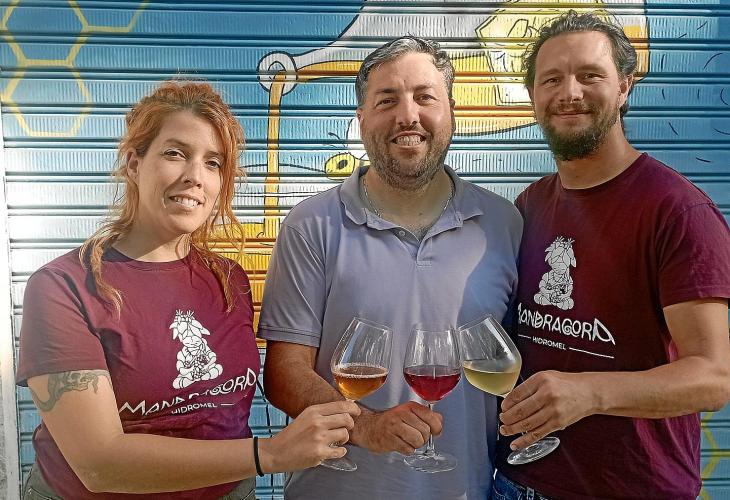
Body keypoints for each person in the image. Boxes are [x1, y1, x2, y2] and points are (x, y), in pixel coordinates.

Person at [15, 80, 359, 500]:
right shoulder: (64, 287)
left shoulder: (228, 280)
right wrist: (269, 454)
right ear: (134, 163)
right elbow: (99, 463)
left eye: (213, 163)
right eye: (175, 154)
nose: (195, 177)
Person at [258, 36, 523, 499]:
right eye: (387, 100)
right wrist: (366, 427)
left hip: (465, 490)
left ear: (452, 113)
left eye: (425, 97)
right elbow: (283, 375)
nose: (408, 115)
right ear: (361, 119)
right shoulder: (311, 224)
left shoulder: (504, 223)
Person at [492, 11, 730, 500]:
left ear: (624, 86)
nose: (569, 92)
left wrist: (590, 393)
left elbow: (712, 377)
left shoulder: (677, 211)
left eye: (590, 75)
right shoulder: (530, 204)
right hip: (517, 483)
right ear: (533, 96)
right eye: (551, 79)